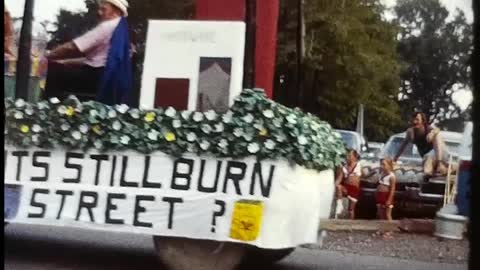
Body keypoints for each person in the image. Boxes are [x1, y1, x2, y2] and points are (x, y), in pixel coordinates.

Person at [44, 0, 132, 105]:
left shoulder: (107, 26)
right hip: (105, 76)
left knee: (52, 72)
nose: (99, 13)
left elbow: (72, 46)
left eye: (104, 9)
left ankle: (49, 107)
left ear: (116, 11)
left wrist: (47, 55)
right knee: (59, 67)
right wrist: (65, 62)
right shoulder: (121, 30)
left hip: (96, 77)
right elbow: (95, 59)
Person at [393, 112, 448, 178]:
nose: (414, 122)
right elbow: (403, 146)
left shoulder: (429, 129)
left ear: (423, 121)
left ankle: (438, 165)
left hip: (439, 155)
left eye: (417, 119)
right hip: (426, 157)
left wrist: (432, 133)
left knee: (435, 138)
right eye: (413, 119)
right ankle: (435, 171)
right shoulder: (410, 132)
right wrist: (394, 160)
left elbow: (437, 130)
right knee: (427, 157)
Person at [335, 149, 362, 219]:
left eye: (350, 156)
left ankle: (351, 225)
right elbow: (339, 179)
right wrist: (334, 185)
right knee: (338, 187)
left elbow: (364, 175)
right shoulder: (343, 167)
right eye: (347, 156)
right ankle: (339, 205)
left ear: (355, 157)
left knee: (351, 210)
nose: (347, 157)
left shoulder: (359, 165)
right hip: (346, 188)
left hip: (354, 189)